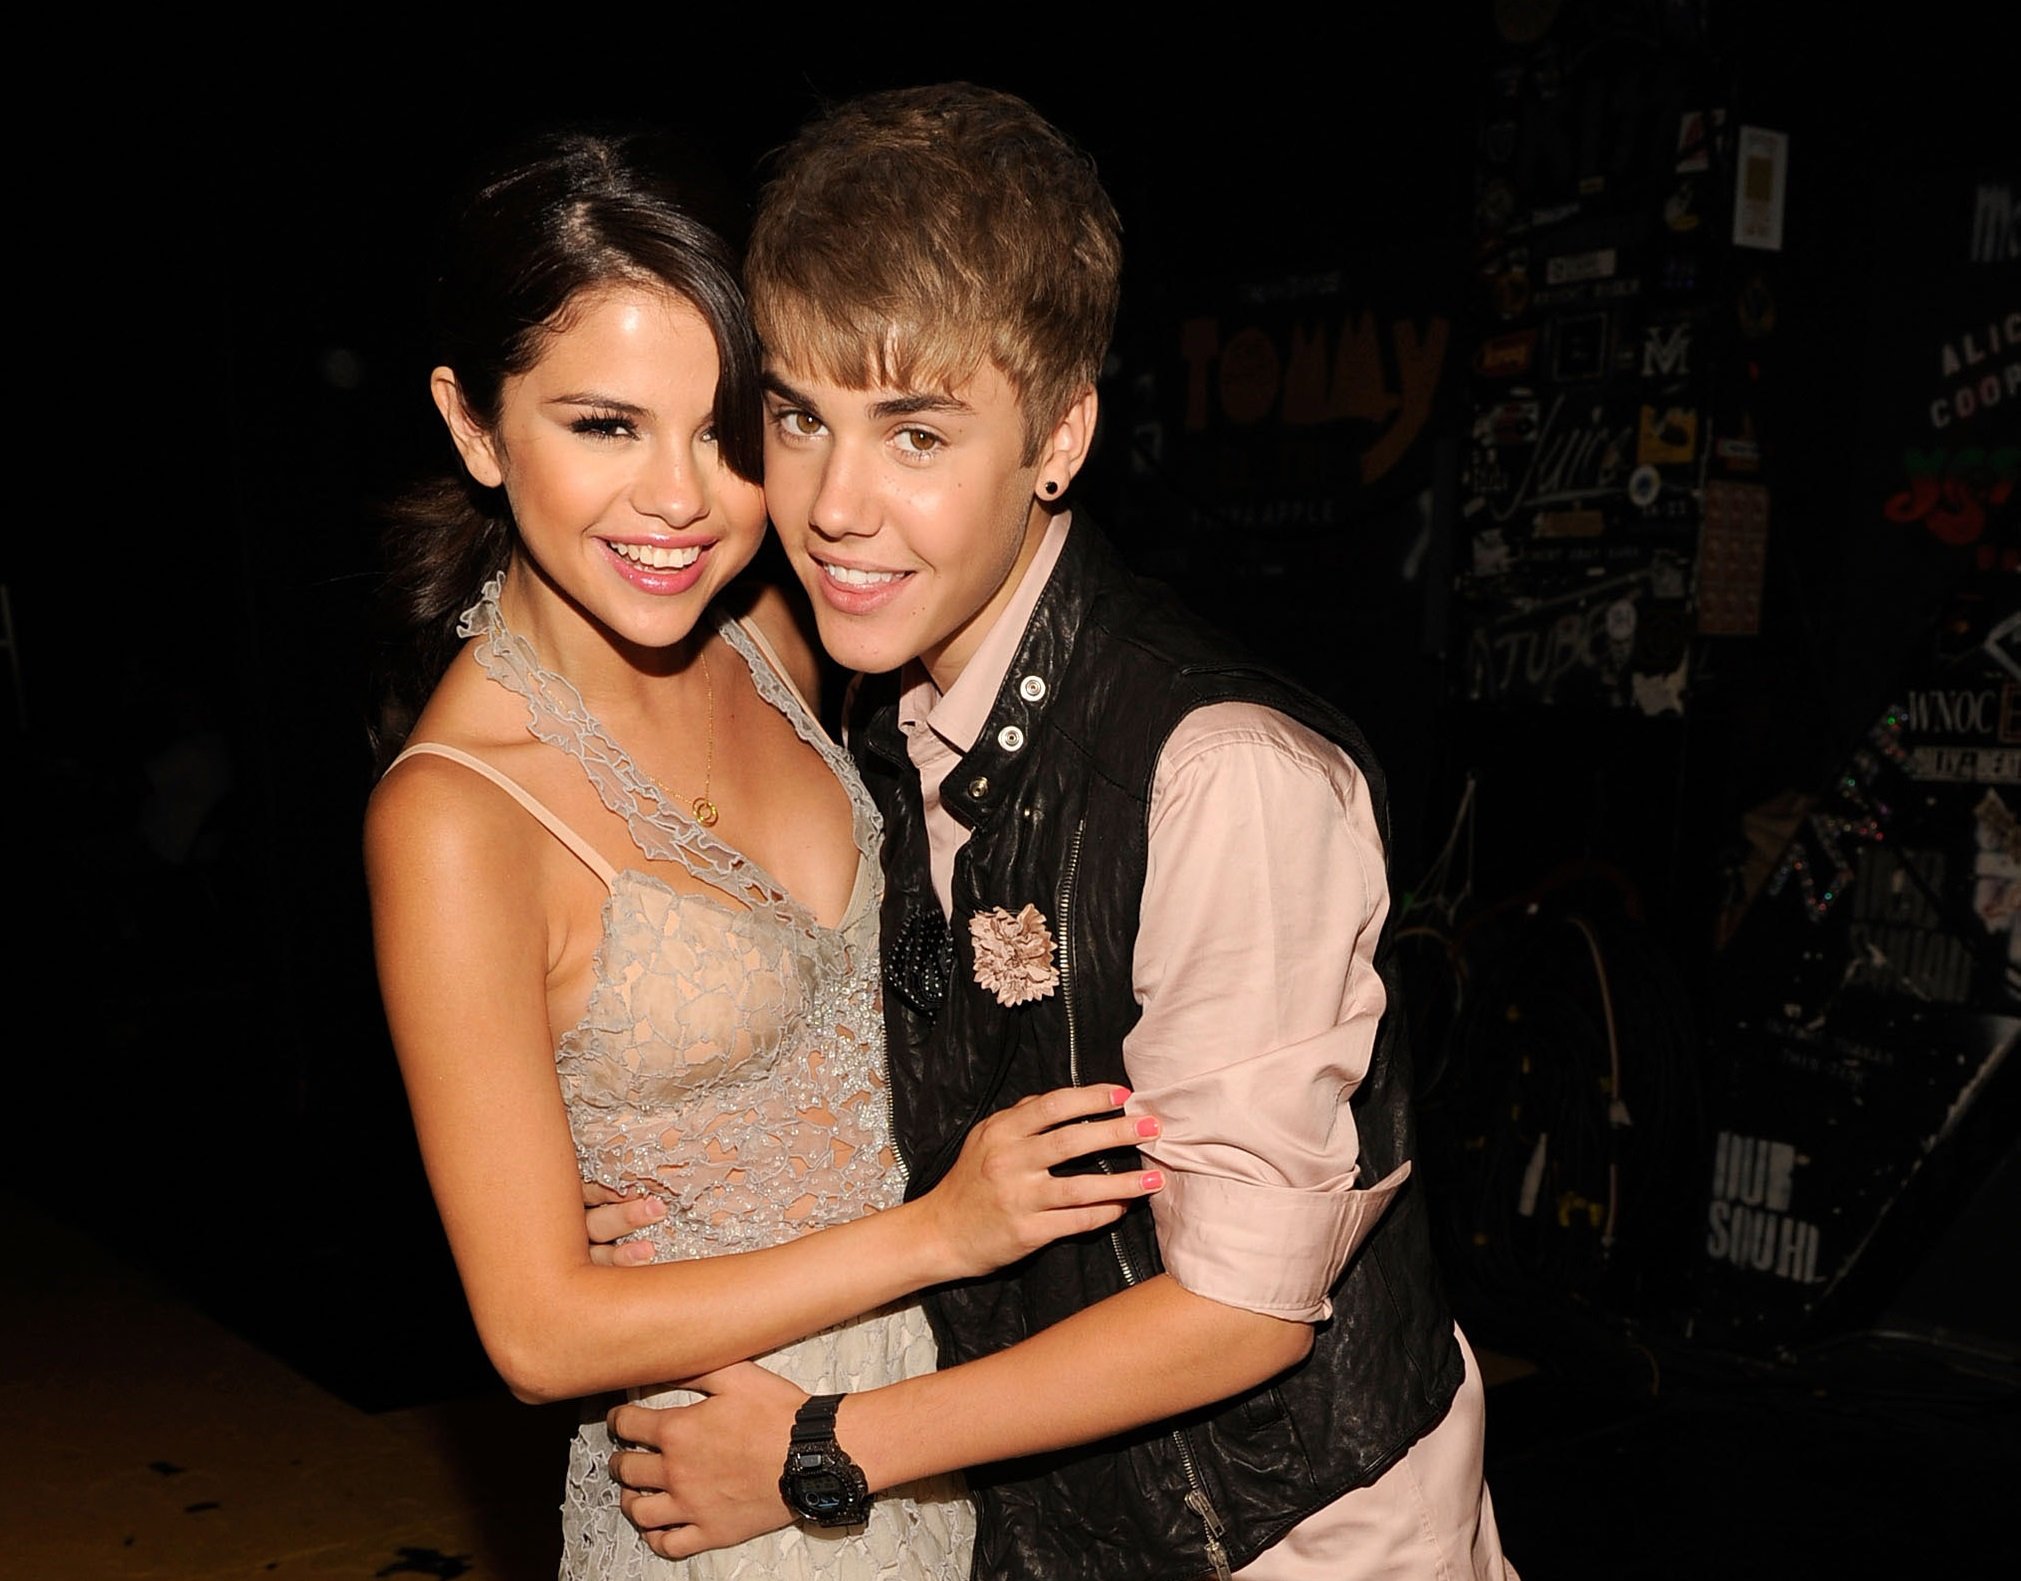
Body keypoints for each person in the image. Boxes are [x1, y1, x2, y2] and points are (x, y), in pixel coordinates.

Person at [604, 85, 1518, 1580]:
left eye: (915, 433)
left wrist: (816, 1448)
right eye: (799, 418)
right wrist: (685, 1161)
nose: (833, 504)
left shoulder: (1221, 778)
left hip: (1282, 1539)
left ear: (1060, 433)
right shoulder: (875, 710)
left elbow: (1240, 1307)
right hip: (1045, 1523)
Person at [364, 127, 1162, 1581]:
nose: (680, 499)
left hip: (957, 1412)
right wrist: (939, 1230)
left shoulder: (785, 635)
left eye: (732, 428)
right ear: (475, 426)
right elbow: (537, 1335)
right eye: (603, 425)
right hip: (732, 1486)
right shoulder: (457, 815)